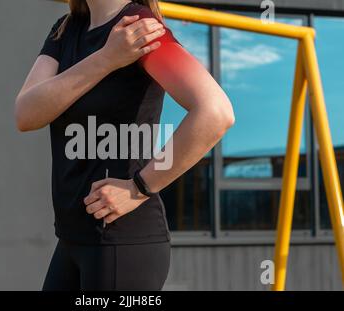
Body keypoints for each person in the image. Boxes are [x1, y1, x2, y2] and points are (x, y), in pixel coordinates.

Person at [15, 0, 235, 291]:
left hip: (122, 241)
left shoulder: (139, 28)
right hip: (71, 239)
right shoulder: (66, 29)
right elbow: (26, 114)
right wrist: (106, 59)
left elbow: (216, 112)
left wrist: (138, 188)